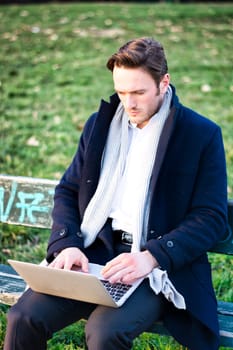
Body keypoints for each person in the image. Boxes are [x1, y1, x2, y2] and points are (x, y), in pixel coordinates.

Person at [4, 37, 228, 350]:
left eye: (138, 92)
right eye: (122, 92)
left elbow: (212, 217)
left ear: (164, 83)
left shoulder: (200, 134)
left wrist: (151, 256)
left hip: (156, 266)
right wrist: (67, 244)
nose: (129, 103)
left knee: (105, 333)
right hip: (95, 253)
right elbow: (68, 190)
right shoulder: (101, 125)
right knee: (23, 317)